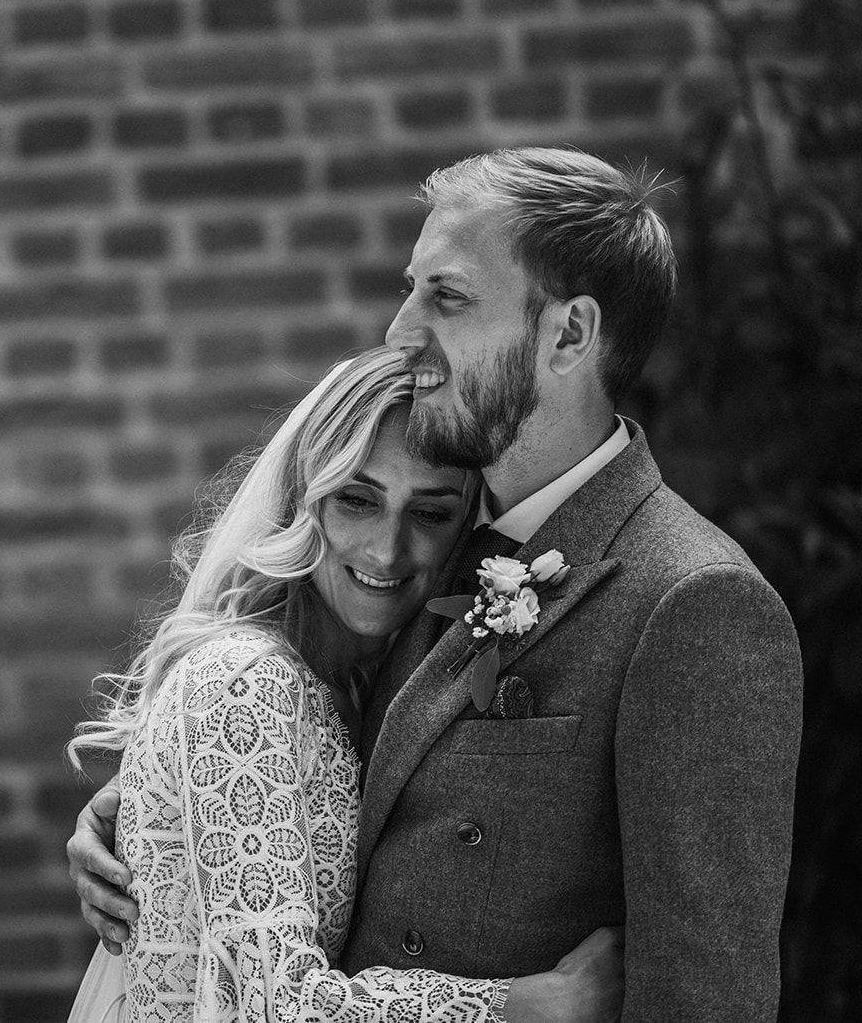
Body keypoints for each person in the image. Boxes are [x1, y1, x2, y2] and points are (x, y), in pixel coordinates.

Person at [68, 147, 804, 1021]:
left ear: (568, 335)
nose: (400, 329)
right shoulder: (425, 545)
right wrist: (158, 806)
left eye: (446, 296)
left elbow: (707, 995)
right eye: (409, 287)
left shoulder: (694, 602)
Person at [66, 346, 623, 1021]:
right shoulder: (246, 680)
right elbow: (277, 1004)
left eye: (430, 513)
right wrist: (529, 1007)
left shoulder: (365, 682)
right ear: (305, 498)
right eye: (357, 500)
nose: (387, 550)